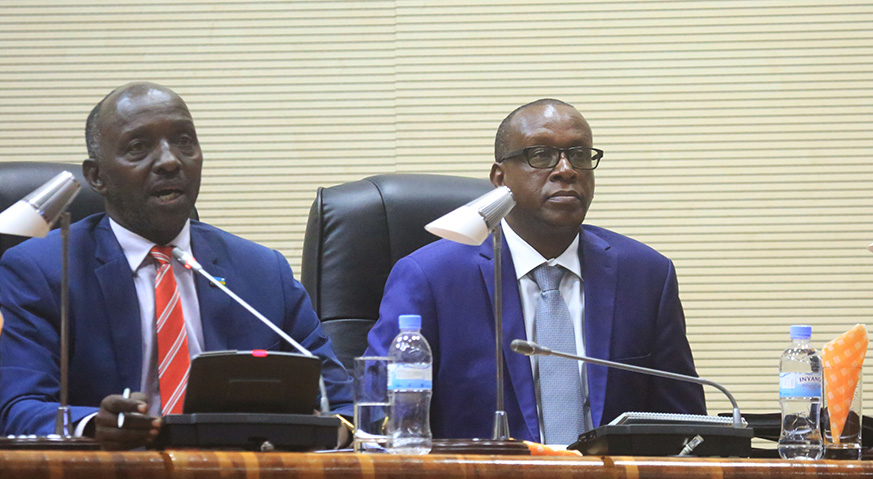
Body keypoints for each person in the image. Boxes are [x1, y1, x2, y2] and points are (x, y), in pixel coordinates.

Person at [0, 82, 353, 449]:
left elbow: (342, 405)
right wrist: (90, 425)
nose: (170, 161)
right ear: (97, 177)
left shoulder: (262, 271)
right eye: (139, 148)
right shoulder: (42, 270)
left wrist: (319, 431)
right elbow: (16, 406)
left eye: (184, 141)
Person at [365, 98, 706, 444]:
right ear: (500, 178)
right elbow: (380, 419)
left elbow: (685, 427)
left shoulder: (645, 275)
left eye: (580, 155)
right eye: (540, 155)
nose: (566, 170)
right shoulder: (430, 278)